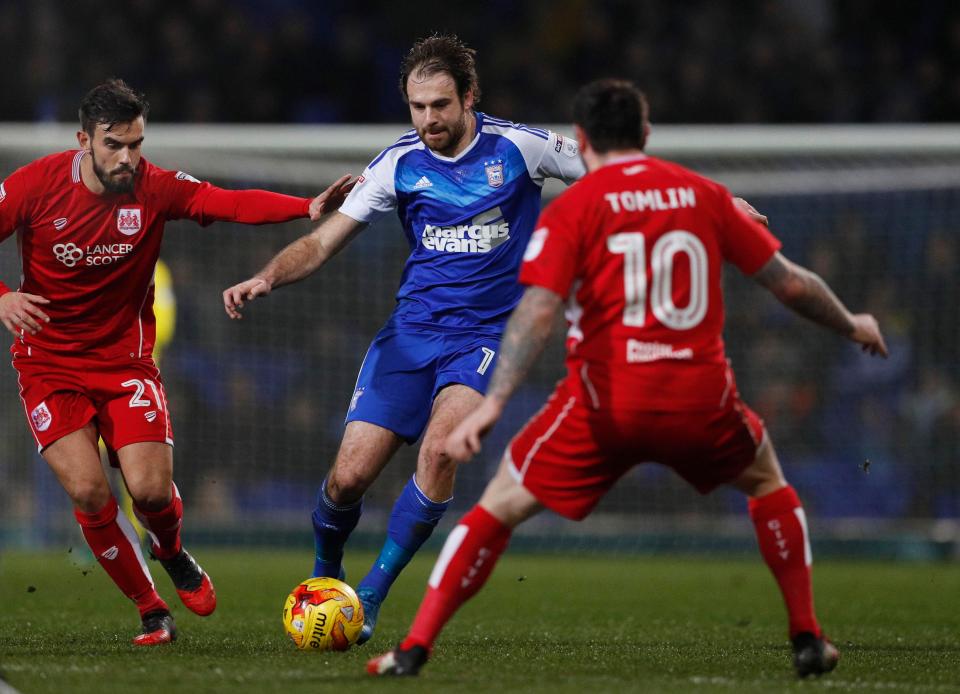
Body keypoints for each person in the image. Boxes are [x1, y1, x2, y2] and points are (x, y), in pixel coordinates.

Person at [366, 78, 888, 678]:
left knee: (495, 510)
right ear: (645, 133)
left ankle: (413, 650)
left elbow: (536, 312)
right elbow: (789, 283)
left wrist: (492, 404)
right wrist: (851, 323)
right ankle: (807, 637)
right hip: (700, 401)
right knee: (770, 484)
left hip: (604, 406)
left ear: (582, 140)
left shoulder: (573, 209)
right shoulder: (701, 195)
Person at [221, 34, 587, 644]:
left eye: (440, 105)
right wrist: (265, 277)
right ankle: (324, 580)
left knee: (441, 452)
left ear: (470, 97)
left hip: (487, 337)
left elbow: (619, 173)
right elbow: (320, 243)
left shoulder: (520, 147)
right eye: (417, 108)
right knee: (347, 479)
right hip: (410, 337)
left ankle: (368, 597)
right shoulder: (398, 162)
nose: (428, 120)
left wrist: (716, 203)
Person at [0, 79, 353, 646]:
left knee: (152, 494)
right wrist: (3, 296)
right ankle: (151, 609)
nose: (127, 158)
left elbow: (227, 202)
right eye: (114, 144)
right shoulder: (34, 186)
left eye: (136, 144)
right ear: (82, 140)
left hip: (126, 365)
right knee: (90, 492)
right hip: (48, 364)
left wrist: (305, 207)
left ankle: (170, 550)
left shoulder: (154, 187)